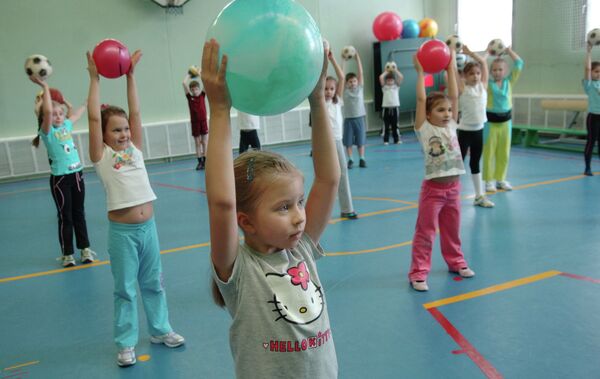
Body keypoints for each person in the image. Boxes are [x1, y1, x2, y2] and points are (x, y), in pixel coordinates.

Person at [202, 39, 339, 378]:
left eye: (299, 203)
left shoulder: (301, 249)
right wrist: (219, 111)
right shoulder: (240, 270)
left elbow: (329, 179)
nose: (299, 216)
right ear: (246, 221)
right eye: (283, 208)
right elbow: (222, 203)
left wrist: (317, 99)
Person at [86, 49, 184, 367]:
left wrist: (131, 77)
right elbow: (91, 116)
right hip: (123, 233)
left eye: (125, 129)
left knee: (154, 282)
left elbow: (136, 112)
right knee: (125, 289)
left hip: (148, 229)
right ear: (103, 135)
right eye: (116, 130)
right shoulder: (102, 157)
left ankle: (160, 329)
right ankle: (126, 343)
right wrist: (94, 79)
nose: (124, 133)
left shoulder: (136, 149)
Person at [408, 51, 475, 292]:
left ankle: (456, 262)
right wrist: (420, 72)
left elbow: (455, 95)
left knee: (452, 230)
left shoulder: (453, 125)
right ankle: (418, 273)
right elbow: (420, 100)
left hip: (454, 189)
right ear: (428, 114)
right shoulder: (423, 128)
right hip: (433, 191)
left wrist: (449, 68)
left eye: (448, 110)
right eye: (441, 110)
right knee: (426, 232)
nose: (447, 114)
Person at [29, 77, 96, 267]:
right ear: (45, 119)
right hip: (60, 180)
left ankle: (85, 249)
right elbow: (48, 111)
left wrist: (79, 103)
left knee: (79, 214)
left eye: (61, 114)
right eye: (54, 114)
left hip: (77, 176)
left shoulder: (66, 125)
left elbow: (76, 112)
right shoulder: (47, 132)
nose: (59, 116)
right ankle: (68, 254)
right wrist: (45, 87)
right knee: (65, 216)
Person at [482, 47, 524, 192]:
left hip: (506, 124)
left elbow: (519, 63)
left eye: (500, 70)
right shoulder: (487, 84)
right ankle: (488, 181)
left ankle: (501, 179)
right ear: (491, 71)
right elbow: (482, 64)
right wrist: (487, 53)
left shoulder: (509, 82)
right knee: (489, 153)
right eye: (494, 70)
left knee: (504, 152)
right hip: (490, 124)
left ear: (505, 71)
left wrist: (508, 50)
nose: (497, 72)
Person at [457, 45, 495, 208]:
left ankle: (479, 196)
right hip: (464, 132)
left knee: (475, 163)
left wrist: (470, 53)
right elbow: (452, 73)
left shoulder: (483, 87)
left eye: (477, 73)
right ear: (464, 76)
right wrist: (452, 53)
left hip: (479, 131)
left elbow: (484, 64)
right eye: (471, 73)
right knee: (458, 164)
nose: (476, 76)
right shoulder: (463, 88)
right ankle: (450, 193)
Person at [326, 48, 358, 219]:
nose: (329, 91)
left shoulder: (337, 100)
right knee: (326, 176)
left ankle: (347, 209)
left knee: (342, 173)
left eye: (331, 88)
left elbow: (342, 77)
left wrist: (332, 59)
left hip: (337, 140)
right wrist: (323, 63)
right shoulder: (320, 103)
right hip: (326, 143)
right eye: (326, 89)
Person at [342, 49, 368, 168]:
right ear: (346, 83)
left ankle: (362, 158)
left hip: (359, 118)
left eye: (354, 81)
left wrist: (357, 57)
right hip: (348, 119)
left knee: (360, 140)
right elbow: (341, 76)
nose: (353, 83)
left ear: (357, 82)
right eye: (350, 82)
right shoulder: (345, 91)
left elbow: (361, 72)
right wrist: (343, 61)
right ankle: (351, 159)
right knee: (348, 141)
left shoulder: (360, 89)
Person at [183, 74, 208, 170]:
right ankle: (200, 162)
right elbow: (184, 83)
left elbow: (205, 81)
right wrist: (189, 75)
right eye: (192, 90)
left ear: (199, 89)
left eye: (196, 89)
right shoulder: (190, 97)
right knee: (197, 143)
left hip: (203, 122)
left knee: (204, 142)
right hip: (195, 123)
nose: (194, 91)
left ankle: (206, 161)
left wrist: (199, 74)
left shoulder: (202, 95)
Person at [583, 42, 600, 176]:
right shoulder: (589, 85)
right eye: (596, 71)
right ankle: (587, 167)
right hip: (593, 117)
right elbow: (587, 69)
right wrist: (589, 52)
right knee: (591, 141)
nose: (598, 74)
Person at [379, 65, 404, 145]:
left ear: (394, 81)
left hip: (395, 108)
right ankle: (386, 140)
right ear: (386, 81)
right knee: (386, 126)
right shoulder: (384, 88)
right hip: (386, 109)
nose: (390, 82)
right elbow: (381, 77)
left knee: (395, 125)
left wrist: (395, 70)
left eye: (391, 80)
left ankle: (396, 140)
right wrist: (387, 70)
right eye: (388, 80)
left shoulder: (396, 87)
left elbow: (401, 77)